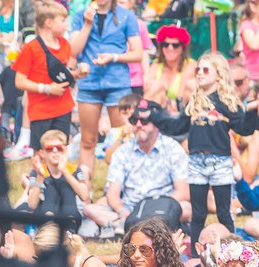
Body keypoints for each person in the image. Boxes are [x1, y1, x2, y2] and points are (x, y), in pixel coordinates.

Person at [158, 54, 259, 252]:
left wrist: (252, 111)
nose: (200, 74)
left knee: (224, 212)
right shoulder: (194, 102)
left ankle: (232, 252)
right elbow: (178, 126)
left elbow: (243, 128)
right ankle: (198, 256)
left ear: (219, 75)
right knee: (198, 213)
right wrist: (155, 115)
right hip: (197, 161)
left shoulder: (227, 102)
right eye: (198, 69)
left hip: (220, 161)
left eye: (206, 70)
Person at [68, 0, 143, 188]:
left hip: (117, 82)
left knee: (123, 137)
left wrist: (114, 57)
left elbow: (138, 53)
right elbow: (73, 51)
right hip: (89, 83)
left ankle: (125, 188)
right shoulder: (81, 16)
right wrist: (87, 24)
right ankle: (84, 192)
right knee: (88, 140)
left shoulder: (127, 16)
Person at [103, 99, 191, 230]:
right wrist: (121, 211)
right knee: (91, 209)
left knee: (186, 208)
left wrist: (155, 205)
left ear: (157, 124)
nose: (138, 125)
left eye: (144, 121)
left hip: (162, 207)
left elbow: (183, 192)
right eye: (134, 120)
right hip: (130, 209)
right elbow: (112, 194)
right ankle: (140, 225)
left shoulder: (173, 148)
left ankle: (128, 226)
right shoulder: (122, 151)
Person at [12, 3, 76, 149]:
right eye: (62, 21)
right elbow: (19, 81)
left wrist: (77, 74)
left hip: (63, 107)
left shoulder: (65, 44)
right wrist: (46, 89)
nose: (66, 25)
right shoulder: (31, 48)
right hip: (40, 110)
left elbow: (61, 75)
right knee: (41, 152)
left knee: (60, 149)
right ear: (48, 23)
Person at [144, 24, 195, 110]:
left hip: (182, 109)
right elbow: (148, 92)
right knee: (156, 85)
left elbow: (181, 95)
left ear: (182, 48)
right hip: (161, 110)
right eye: (166, 44)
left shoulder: (190, 65)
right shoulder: (156, 66)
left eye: (175, 45)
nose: (170, 48)